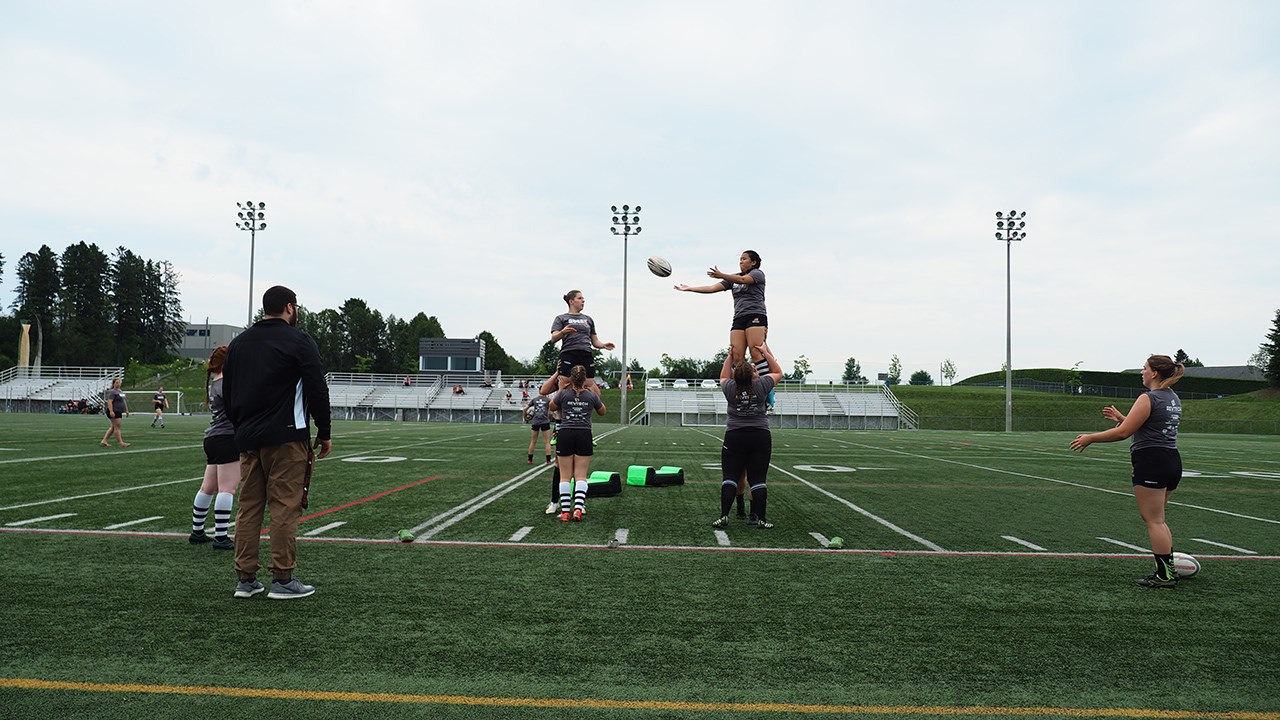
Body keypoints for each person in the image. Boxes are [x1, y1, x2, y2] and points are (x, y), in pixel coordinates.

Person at [224, 285, 332, 600]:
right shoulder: (299, 341)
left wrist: (241, 428)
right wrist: (324, 430)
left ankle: (245, 578)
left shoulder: (239, 343)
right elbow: (316, 387)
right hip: (286, 436)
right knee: (285, 507)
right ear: (289, 307)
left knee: (248, 507)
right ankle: (283, 578)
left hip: (248, 437)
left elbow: (229, 393)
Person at [1070, 355, 1185, 589]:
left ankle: (1165, 576)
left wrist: (1091, 438)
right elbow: (1148, 425)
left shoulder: (1148, 397)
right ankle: (1168, 570)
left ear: (1154, 373)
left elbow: (1124, 433)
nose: (1142, 372)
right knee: (1159, 520)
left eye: (1144, 368)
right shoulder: (1172, 397)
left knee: (1154, 521)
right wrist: (1123, 418)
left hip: (1151, 461)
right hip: (1171, 459)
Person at [712, 342, 782, 530]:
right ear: (753, 375)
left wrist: (730, 356)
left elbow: (723, 376)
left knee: (730, 477)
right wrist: (765, 353)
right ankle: (761, 519)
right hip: (760, 435)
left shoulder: (730, 388)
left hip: (735, 436)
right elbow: (778, 372)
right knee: (758, 479)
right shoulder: (761, 385)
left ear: (735, 376)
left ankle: (724, 516)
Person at [674, 250, 768, 372]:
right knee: (736, 355)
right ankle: (741, 383)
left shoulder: (757, 274)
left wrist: (722, 275)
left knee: (756, 352)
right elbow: (712, 288)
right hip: (739, 318)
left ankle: (765, 382)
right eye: (740, 259)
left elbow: (743, 280)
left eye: (744, 259)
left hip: (755, 315)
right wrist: (690, 288)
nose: (741, 261)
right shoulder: (733, 278)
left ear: (753, 262)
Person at [189, 346, 239, 550]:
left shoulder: (216, 381)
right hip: (227, 437)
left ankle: (197, 531)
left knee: (207, 487)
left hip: (213, 438)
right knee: (228, 488)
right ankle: (221, 536)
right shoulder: (226, 382)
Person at [549, 365, 607, 522]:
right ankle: (578, 509)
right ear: (585, 379)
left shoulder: (564, 394)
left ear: (571, 378)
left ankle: (565, 512)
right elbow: (602, 411)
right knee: (581, 475)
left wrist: (561, 390)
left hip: (565, 433)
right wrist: (592, 392)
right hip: (584, 434)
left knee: (564, 477)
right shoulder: (591, 395)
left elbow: (552, 407)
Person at [550, 290, 614, 397]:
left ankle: (585, 405)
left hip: (585, 354)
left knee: (588, 387)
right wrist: (563, 332)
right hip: (569, 353)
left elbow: (595, 341)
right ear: (571, 301)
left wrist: (603, 345)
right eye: (579, 298)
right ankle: (561, 407)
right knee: (566, 385)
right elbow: (553, 338)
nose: (583, 301)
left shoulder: (588, 319)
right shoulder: (561, 318)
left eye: (583, 298)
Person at [524, 384, 554, 469]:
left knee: (533, 441)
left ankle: (530, 460)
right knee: (547, 442)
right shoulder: (548, 400)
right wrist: (550, 419)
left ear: (539, 391)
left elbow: (525, 409)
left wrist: (525, 417)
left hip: (535, 421)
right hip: (545, 421)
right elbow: (551, 413)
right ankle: (548, 460)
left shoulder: (534, 399)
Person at [99, 378, 130, 448]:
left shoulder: (120, 391)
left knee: (113, 427)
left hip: (119, 411)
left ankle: (104, 440)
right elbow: (109, 402)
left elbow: (123, 401)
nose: (118, 384)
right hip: (114, 411)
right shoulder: (112, 392)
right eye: (116, 383)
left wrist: (126, 410)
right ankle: (120, 442)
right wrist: (111, 411)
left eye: (119, 382)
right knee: (117, 427)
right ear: (113, 384)